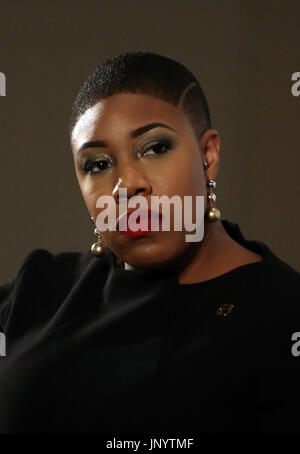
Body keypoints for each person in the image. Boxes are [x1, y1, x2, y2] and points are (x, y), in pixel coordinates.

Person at [0, 51, 300, 434]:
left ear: (208, 156)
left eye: (155, 148)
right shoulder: (37, 291)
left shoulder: (282, 316)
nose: (127, 186)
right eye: (98, 164)